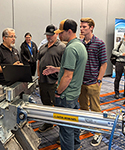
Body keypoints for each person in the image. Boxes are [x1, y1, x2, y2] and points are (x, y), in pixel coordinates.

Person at [43, 19, 87, 150]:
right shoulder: (80, 46)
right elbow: (73, 68)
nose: (60, 36)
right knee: (73, 124)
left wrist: (58, 93)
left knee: (65, 128)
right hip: (74, 94)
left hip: (65, 96)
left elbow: (68, 77)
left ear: (69, 31)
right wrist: (56, 69)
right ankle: (76, 146)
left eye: (61, 33)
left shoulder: (70, 48)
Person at [79, 18, 107, 146]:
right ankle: (85, 125)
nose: (81, 29)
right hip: (81, 83)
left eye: (84, 27)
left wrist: (99, 80)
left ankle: (98, 132)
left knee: (95, 109)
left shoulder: (99, 43)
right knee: (83, 107)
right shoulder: (80, 43)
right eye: (81, 27)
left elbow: (104, 64)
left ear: (91, 27)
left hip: (93, 83)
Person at [37, 24, 66, 132]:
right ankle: (49, 123)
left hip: (55, 82)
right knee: (46, 104)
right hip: (43, 82)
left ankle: (62, 131)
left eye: (51, 35)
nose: (49, 37)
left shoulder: (62, 47)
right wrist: (39, 75)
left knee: (58, 107)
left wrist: (60, 80)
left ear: (57, 34)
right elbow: (39, 62)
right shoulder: (42, 47)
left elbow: (66, 66)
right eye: (47, 35)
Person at [112, 33, 125, 99]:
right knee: (117, 78)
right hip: (119, 62)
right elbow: (113, 52)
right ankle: (116, 93)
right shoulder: (119, 44)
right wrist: (121, 54)